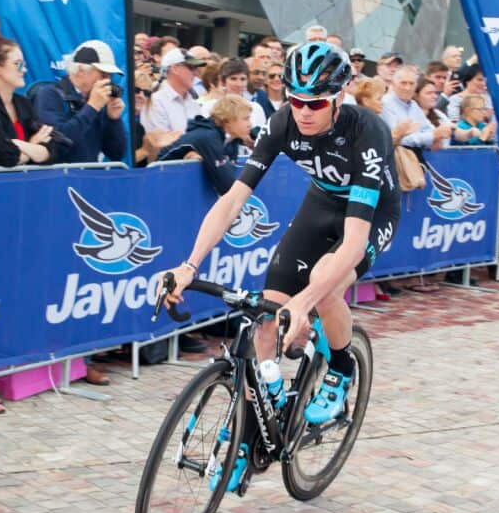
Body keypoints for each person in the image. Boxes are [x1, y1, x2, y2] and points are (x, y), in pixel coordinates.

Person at [164, 42, 399, 463]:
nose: (304, 112)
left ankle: (341, 368)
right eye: (295, 100)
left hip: (371, 212)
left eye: (316, 103)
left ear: (340, 96)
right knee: (265, 318)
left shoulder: (367, 132)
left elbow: (353, 242)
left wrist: (304, 303)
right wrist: (189, 264)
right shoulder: (281, 123)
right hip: (322, 202)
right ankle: (255, 433)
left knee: (326, 283)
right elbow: (233, 201)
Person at [0, 31, 55, 168]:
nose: (24, 70)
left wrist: (21, 145)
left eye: (24, 64)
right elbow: (3, 157)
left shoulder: (23, 103)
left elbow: (52, 149)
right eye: (18, 64)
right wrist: (33, 145)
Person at [32, 40, 127, 163]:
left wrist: (113, 120)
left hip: (89, 173)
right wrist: (92, 107)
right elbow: (57, 143)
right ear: (81, 70)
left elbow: (117, 153)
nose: (107, 81)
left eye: (110, 76)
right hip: (60, 174)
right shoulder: (49, 94)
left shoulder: (97, 102)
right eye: (103, 75)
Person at [158, 95, 254, 195]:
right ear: (227, 121)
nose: (250, 124)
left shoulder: (232, 138)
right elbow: (226, 186)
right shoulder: (208, 137)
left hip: (178, 188)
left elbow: (230, 177)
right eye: (246, 119)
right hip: (162, 183)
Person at [379, 65, 434, 150]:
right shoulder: (386, 103)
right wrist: (429, 137)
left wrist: (429, 136)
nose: (407, 88)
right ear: (393, 84)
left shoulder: (414, 105)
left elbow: (429, 130)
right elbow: (398, 139)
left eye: (411, 83)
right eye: (403, 83)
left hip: (414, 153)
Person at [414, 79, 453, 150]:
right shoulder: (412, 115)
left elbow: (457, 132)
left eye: (435, 93)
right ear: (416, 96)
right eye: (429, 93)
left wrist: (469, 132)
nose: (434, 96)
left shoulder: (439, 113)